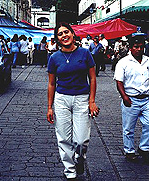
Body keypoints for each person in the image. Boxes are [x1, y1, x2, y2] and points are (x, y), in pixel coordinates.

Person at [47, 22, 99, 180]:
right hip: (62, 99)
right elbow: (51, 83)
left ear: (72, 33)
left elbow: (92, 78)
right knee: (63, 137)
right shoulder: (54, 57)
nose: (64, 36)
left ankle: (79, 158)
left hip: (82, 99)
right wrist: (50, 107)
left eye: (66, 32)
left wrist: (92, 101)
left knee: (81, 139)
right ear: (57, 39)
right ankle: (70, 171)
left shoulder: (85, 54)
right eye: (60, 34)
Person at [114, 34, 149, 165]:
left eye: (141, 47)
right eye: (136, 47)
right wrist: (124, 97)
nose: (139, 49)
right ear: (130, 48)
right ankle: (129, 151)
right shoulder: (123, 63)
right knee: (129, 128)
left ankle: (144, 148)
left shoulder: (148, 61)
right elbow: (119, 82)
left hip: (146, 99)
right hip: (131, 99)